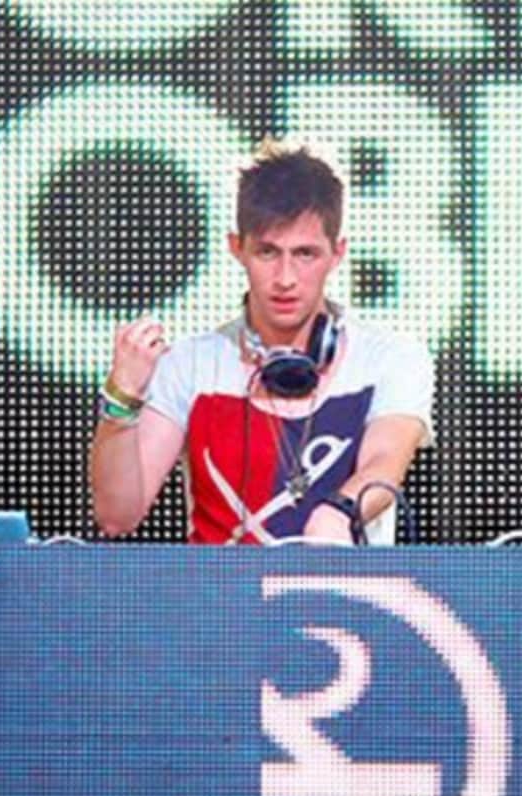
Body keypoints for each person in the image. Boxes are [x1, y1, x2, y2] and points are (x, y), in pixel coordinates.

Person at [88, 138, 434, 544]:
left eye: (305, 254)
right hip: (219, 586)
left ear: (337, 254)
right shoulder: (189, 364)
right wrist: (122, 399)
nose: (285, 278)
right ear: (237, 248)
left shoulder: (392, 358)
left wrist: (337, 514)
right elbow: (117, 515)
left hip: (343, 584)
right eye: (268, 252)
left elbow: (384, 462)